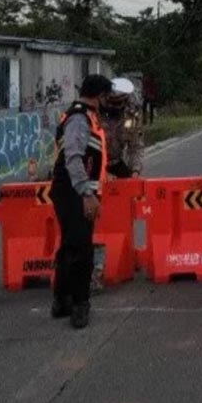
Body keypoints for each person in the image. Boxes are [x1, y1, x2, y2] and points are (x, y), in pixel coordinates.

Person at [49, 74, 112, 330]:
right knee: (80, 250)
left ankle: (61, 300)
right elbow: (74, 158)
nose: (108, 101)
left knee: (69, 247)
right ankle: (79, 305)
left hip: (72, 190)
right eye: (106, 96)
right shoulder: (79, 119)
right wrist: (87, 194)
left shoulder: (85, 117)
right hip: (74, 192)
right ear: (99, 96)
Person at [101, 77, 144, 179]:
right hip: (95, 165)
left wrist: (135, 170)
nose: (114, 107)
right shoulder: (96, 115)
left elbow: (135, 146)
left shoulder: (130, 117)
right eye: (111, 102)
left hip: (116, 162)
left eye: (119, 103)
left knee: (131, 188)